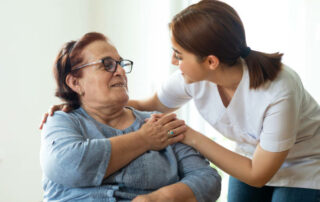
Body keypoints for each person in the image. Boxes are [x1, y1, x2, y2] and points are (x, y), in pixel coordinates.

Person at [40, 0, 320, 201]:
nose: (174, 61)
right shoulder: (66, 124)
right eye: (107, 64)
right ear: (74, 83)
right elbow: (148, 103)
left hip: (303, 164)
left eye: (179, 54)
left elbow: (220, 179)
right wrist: (74, 104)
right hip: (250, 157)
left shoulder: (279, 91)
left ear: (211, 61)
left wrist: (164, 193)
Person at [40, 32, 221, 202]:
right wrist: (144, 139)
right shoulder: (61, 120)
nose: (120, 71)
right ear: (75, 82)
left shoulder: (159, 123)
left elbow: (208, 179)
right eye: (107, 64)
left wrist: (158, 198)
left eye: (120, 63)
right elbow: (71, 166)